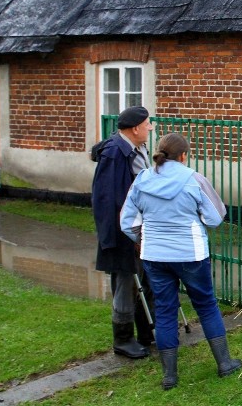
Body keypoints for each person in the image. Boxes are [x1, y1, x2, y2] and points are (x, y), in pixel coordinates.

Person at [120, 132, 242, 390]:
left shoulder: (142, 179)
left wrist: (142, 237)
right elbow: (215, 216)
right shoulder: (194, 179)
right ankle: (224, 363)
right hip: (191, 254)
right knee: (206, 305)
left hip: (154, 255)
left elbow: (127, 222)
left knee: (165, 310)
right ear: (184, 155)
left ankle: (170, 376)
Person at [92, 106, 155, 359]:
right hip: (122, 232)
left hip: (139, 228)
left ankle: (146, 333)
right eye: (147, 124)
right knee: (126, 283)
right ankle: (123, 339)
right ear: (135, 128)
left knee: (145, 280)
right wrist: (124, 235)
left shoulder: (136, 149)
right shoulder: (114, 154)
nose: (150, 128)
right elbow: (107, 199)